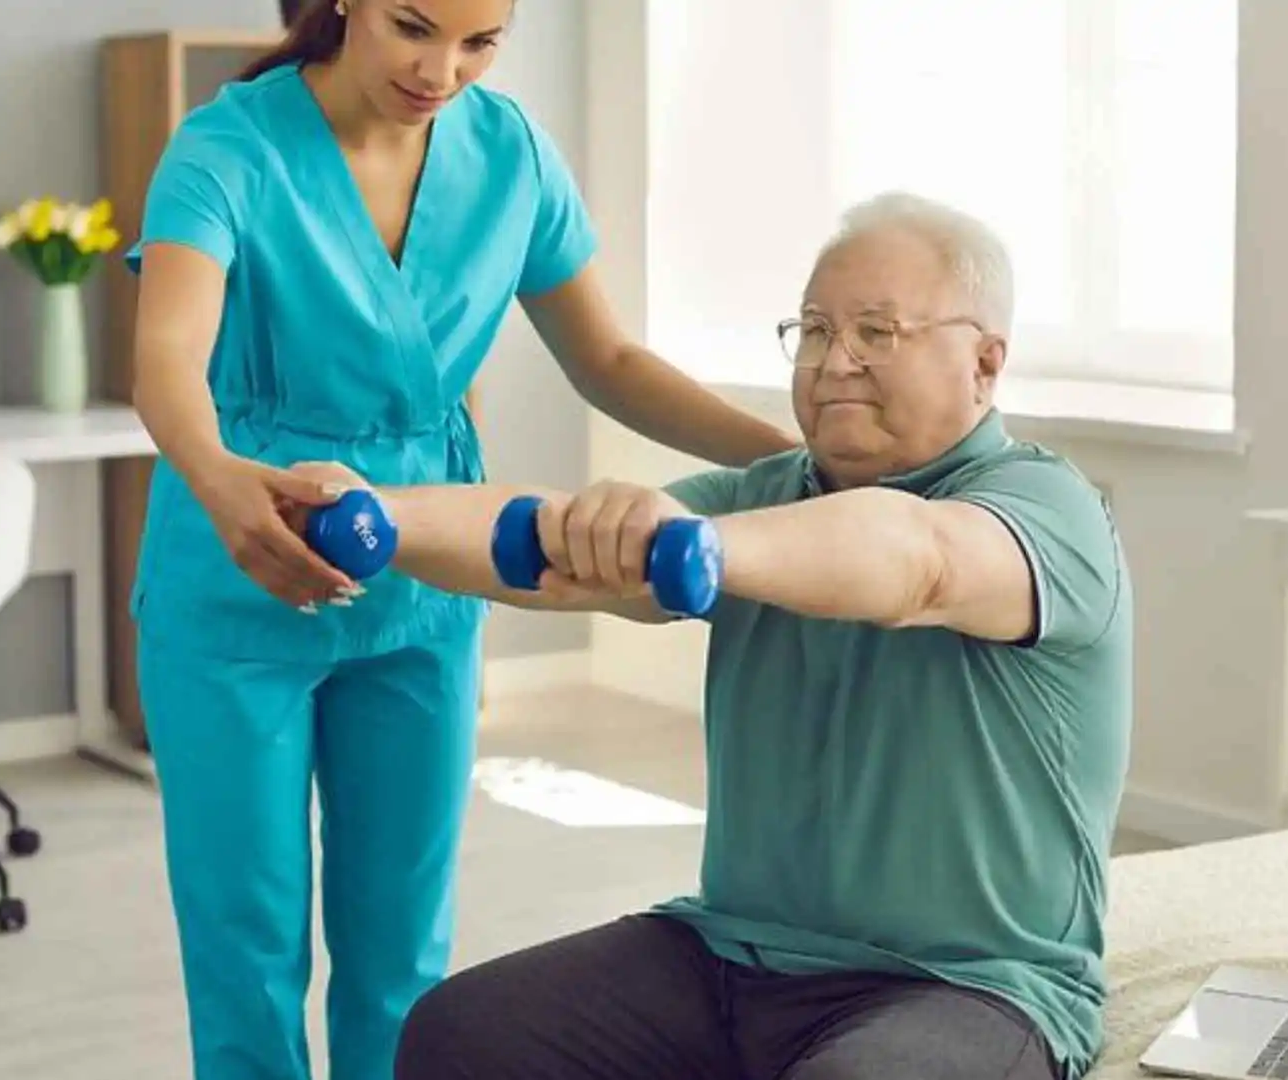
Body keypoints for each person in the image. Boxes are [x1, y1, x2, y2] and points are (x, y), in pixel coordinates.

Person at [296, 191, 1133, 1080]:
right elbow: (542, 547)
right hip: (727, 954)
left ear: (986, 361)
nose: (834, 360)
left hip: (968, 985)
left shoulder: (1046, 509)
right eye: (813, 329)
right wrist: (380, 517)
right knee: (460, 1031)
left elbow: (915, 559)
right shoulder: (767, 493)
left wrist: (698, 547)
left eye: (877, 332)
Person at [123, 2, 798, 1079]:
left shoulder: (509, 152)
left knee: (403, 945)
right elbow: (166, 358)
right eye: (412, 27)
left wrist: (796, 469)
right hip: (239, 579)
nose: (442, 70)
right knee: (245, 949)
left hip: (428, 582)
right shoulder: (229, 147)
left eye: (480, 44)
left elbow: (609, 360)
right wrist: (217, 481)